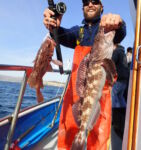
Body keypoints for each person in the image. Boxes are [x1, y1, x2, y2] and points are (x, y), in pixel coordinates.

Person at [43, 0, 126, 149]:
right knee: (68, 135)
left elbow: (119, 33)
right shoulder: (78, 32)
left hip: (101, 96)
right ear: (82, 8)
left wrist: (119, 23)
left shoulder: (105, 29)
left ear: (102, 7)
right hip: (76, 95)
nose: (90, 4)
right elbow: (61, 35)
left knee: (99, 140)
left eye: (95, 1)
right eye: (86, 2)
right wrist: (53, 27)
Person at [111, 44, 129, 149]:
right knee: (121, 98)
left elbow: (111, 63)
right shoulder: (123, 53)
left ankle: (117, 121)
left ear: (114, 45)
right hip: (125, 79)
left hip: (119, 79)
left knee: (115, 98)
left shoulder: (116, 52)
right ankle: (124, 116)